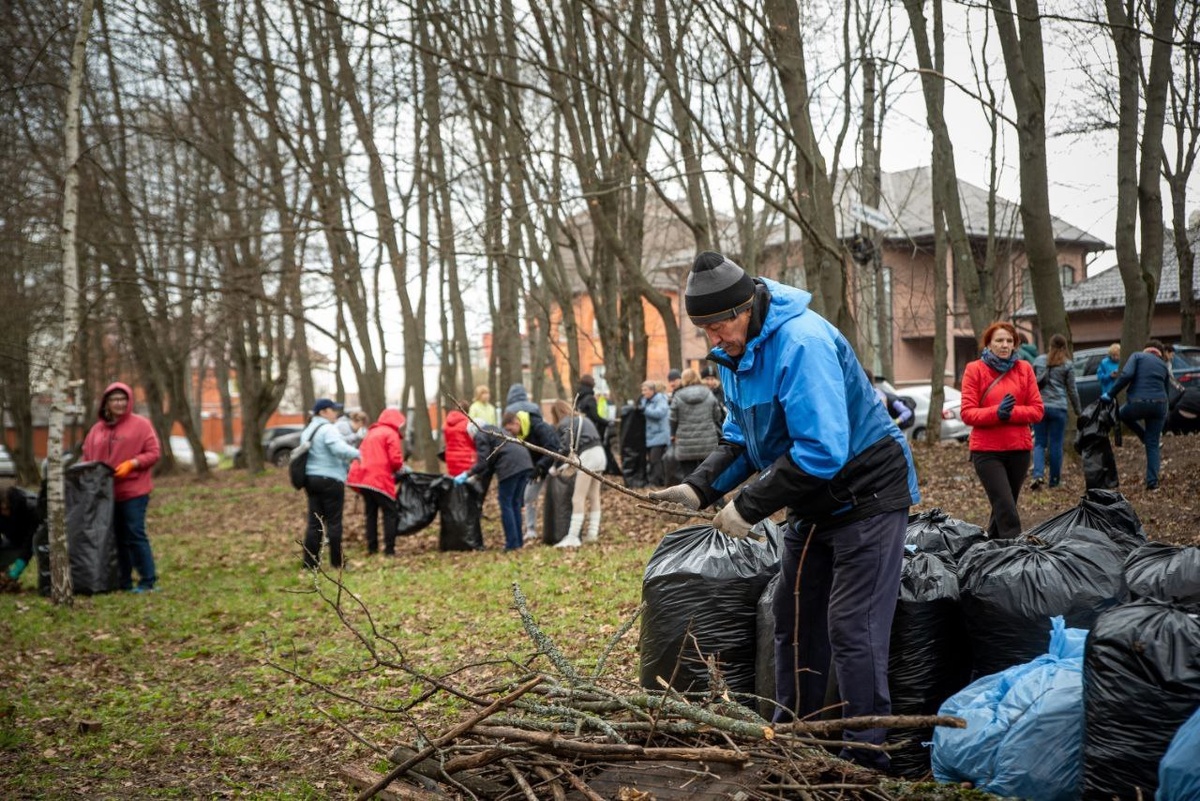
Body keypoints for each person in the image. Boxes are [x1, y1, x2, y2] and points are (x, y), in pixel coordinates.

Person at [649, 251, 919, 769]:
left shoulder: (802, 342)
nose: (713, 337)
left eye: (719, 323)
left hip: (867, 492)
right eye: (702, 328)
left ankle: (864, 756)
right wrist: (698, 489)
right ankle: (795, 739)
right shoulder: (735, 357)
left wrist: (747, 507)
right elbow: (743, 440)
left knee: (851, 625)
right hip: (811, 498)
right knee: (793, 617)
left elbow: (822, 448)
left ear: (747, 306)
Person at [959, 322, 1044, 538]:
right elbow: (967, 413)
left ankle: (992, 553)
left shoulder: (1024, 369)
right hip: (987, 452)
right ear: (988, 343)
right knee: (1006, 508)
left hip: (1019, 450)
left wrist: (1012, 413)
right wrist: (996, 413)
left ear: (1015, 344)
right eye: (999, 340)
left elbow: (1037, 411)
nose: (1004, 345)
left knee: (1003, 507)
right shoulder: (974, 369)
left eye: (1009, 341)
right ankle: (1013, 554)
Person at [81, 382, 161, 592]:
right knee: (116, 538)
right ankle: (123, 581)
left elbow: (153, 453)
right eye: (115, 399)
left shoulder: (141, 425)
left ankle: (148, 580)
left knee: (134, 533)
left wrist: (132, 463)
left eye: (123, 399)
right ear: (106, 403)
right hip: (105, 494)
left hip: (134, 490)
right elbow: (87, 456)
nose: (119, 403)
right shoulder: (96, 430)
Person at [300, 398, 361, 570]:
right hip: (330, 480)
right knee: (334, 523)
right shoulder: (328, 429)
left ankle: (309, 563)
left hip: (311, 480)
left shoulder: (309, 429)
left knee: (315, 523)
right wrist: (359, 454)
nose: (336, 413)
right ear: (323, 412)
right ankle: (337, 563)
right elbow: (339, 449)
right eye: (332, 410)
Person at [461, 415, 535, 551]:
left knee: (506, 504)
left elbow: (483, 462)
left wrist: (468, 474)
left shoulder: (480, 433)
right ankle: (518, 542)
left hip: (510, 466)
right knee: (515, 504)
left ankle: (512, 544)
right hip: (525, 462)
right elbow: (488, 465)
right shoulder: (496, 431)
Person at [1106, 340, 1172, 490]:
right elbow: (1167, 392)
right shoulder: (1163, 365)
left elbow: (1126, 375)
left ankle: (1142, 435)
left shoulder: (1137, 356)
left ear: (1146, 350)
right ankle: (1152, 483)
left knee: (1121, 414)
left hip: (1137, 402)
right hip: (1159, 405)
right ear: (1159, 353)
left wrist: (1110, 394)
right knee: (1153, 444)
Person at [347, 408, 407, 556]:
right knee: (390, 513)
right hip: (379, 478)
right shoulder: (390, 433)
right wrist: (401, 469)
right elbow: (395, 460)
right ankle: (389, 550)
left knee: (371, 513)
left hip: (364, 478)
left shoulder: (372, 432)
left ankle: (372, 548)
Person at [548, 399, 605, 548]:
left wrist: (555, 466)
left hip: (588, 457)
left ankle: (573, 536)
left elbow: (565, 448)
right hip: (600, 455)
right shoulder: (584, 419)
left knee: (577, 498)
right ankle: (592, 534)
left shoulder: (567, 422)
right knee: (594, 497)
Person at [1031, 334, 1082, 490]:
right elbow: (1072, 390)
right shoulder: (1067, 365)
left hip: (1040, 407)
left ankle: (1038, 475)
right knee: (1055, 444)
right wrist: (1079, 411)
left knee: (1039, 443)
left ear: (1049, 346)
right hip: (1059, 408)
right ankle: (1054, 480)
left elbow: (1031, 384)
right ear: (1064, 348)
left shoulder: (1039, 361)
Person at [504, 383, 544, 541]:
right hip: (539, 456)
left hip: (522, 459)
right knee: (529, 496)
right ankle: (530, 527)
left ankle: (529, 528)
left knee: (525, 496)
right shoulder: (534, 408)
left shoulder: (510, 410)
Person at [669, 368, 723, 477]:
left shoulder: (677, 396)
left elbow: (673, 419)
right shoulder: (709, 393)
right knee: (708, 476)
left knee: (689, 477)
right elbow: (717, 416)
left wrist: (673, 434)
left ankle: (692, 494)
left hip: (685, 443)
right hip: (707, 442)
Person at [0, 486, 40, 584]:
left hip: (35, 540)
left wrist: (21, 562)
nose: (5, 513)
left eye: (7, 509)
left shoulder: (31, 508)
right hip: (13, 540)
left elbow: (31, 539)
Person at [639, 381, 670, 486]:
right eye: (642, 390)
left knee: (655, 459)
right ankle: (657, 480)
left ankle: (656, 482)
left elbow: (659, 413)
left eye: (645, 390)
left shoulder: (660, 399)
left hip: (660, 435)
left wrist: (645, 410)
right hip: (650, 436)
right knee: (653, 459)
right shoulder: (645, 401)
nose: (643, 392)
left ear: (652, 390)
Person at [440, 409, 478, 478]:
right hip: (466, 457)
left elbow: (445, 441)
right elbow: (472, 441)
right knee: (465, 482)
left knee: (455, 481)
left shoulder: (446, 424)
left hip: (450, 458)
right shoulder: (467, 423)